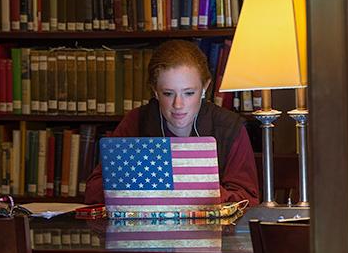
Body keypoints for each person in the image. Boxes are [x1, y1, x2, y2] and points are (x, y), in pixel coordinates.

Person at [84, 40, 260, 206]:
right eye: (168, 93)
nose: (178, 105)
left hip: (212, 233)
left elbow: (248, 200)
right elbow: (94, 191)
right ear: (155, 91)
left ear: (205, 87)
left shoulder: (229, 127)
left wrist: (200, 193)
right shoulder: (137, 121)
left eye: (189, 93)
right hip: (147, 233)